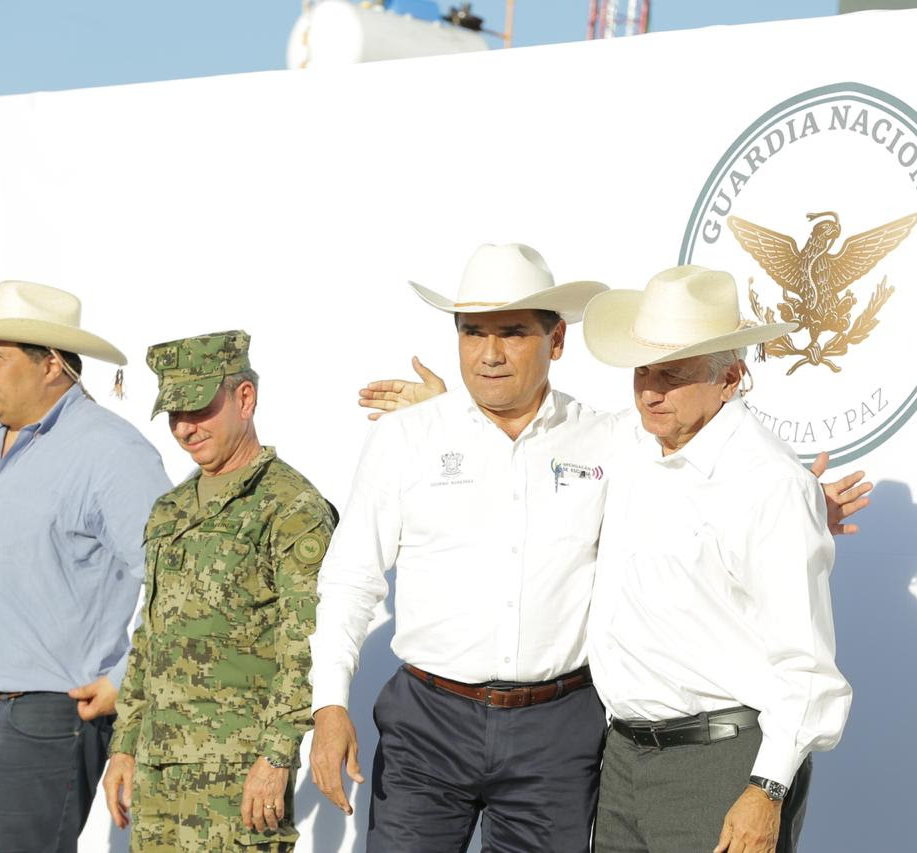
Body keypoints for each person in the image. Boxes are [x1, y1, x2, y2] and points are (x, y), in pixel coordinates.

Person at [312, 245, 871, 851]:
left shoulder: (611, 438)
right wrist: (329, 703)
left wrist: (797, 503)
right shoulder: (415, 439)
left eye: (512, 333)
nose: (490, 353)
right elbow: (350, 580)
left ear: (556, 341)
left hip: (563, 736)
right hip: (434, 725)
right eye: (473, 332)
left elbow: (723, 472)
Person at [580, 265, 851, 853]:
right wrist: (450, 414)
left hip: (723, 765)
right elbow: (545, 437)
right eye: (642, 370)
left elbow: (805, 663)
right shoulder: (630, 442)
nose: (650, 391)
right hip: (621, 760)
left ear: (729, 379)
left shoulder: (769, 485)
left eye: (673, 374)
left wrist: (766, 789)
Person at [0, 280, 170, 850]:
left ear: (50, 365)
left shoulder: (111, 453)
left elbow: (175, 579)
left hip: (41, 721)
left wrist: (127, 679)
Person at [102, 330, 337, 852]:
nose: (186, 428)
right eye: (174, 414)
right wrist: (125, 746)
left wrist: (276, 757)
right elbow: (150, 638)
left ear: (245, 398)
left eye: (199, 409)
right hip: (159, 776)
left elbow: (304, 644)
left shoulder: (290, 507)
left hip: (238, 780)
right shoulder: (170, 510)